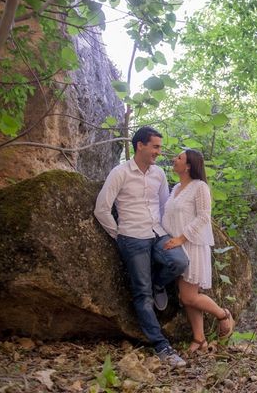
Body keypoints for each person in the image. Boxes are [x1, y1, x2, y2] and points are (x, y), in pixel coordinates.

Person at [94, 126, 189, 368]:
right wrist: (119, 235)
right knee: (142, 294)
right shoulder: (120, 173)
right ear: (140, 146)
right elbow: (102, 209)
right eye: (155, 146)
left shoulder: (158, 174)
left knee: (179, 262)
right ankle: (161, 346)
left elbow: (164, 205)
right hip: (132, 237)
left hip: (157, 233)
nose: (159, 151)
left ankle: (160, 283)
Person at [161, 149, 235, 354]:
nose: (174, 160)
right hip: (175, 245)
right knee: (188, 297)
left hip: (191, 245)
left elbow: (204, 217)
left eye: (179, 158)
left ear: (188, 165)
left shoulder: (200, 187)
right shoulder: (175, 188)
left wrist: (181, 238)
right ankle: (199, 339)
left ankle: (223, 315)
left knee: (188, 297)